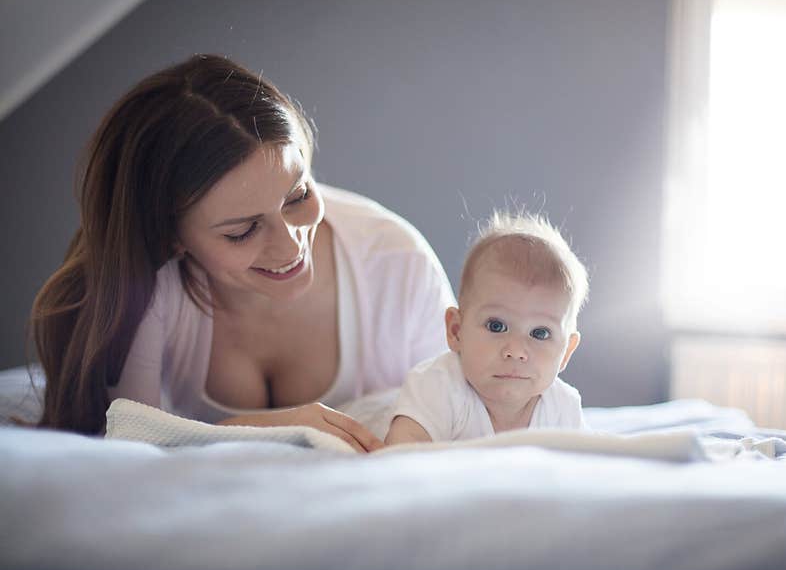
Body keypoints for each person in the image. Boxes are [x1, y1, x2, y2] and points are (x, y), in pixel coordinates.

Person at [29, 54, 455, 452]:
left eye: (298, 196)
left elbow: (472, 420)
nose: (290, 245)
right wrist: (283, 428)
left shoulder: (397, 264)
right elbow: (129, 446)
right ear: (171, 237)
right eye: (242, 231)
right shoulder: (147, 287)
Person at [384, 212, 589, 445]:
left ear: (567, 351)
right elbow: (401, 455)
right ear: (456, 331)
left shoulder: (563, 407)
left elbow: (582, 468)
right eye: (497, 326)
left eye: (540, 333)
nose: (516, 350)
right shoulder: (438, 386)